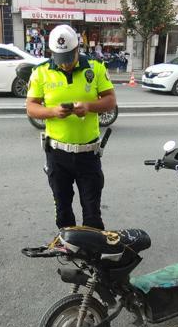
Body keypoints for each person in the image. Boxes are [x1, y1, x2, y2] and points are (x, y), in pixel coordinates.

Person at [26, 25, 116, 234]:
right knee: (63, 210)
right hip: (57, 155)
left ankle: (92, 253)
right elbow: (31, 108)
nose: (65, 64)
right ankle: (70, 249)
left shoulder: (96, 68)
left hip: (88, 154)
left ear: (78, 49)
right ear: (51, 53)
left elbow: (111, 101)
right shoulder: (40, 72)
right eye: (60, 58)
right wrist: (52, 112)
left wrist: (88, 107)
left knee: (92, 212)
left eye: (69, 57)